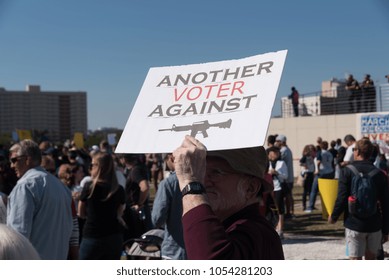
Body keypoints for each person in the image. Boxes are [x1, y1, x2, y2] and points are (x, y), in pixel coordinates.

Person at [173, 135, 285, 260]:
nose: (203, 180)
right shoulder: (235, 225)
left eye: (216, 172)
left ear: (250, 188)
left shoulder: (255, 232)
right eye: (202, 171)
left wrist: (190, 184)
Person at [7, 139, 73, 259]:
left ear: (27, 159)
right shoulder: (62, 187)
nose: (12, 165)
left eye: (14, 160)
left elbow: (17, 238)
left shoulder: (25, 186)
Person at [328, 138, 389, 260]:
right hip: (374, 223)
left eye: (354, 149)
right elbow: (386, 203)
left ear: (357, 152)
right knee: (372, 260)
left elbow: (342, 197)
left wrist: (334, 216)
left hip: (354, 223)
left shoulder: (346, 171)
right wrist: (386, 230)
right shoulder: (379, 174)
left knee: (355, 259)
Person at [78, 152, 126, 260]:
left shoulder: (89, 187)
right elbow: (120, 213)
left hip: (92, 235)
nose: (90, 168)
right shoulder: (119, 189)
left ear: (98, 167)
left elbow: (81, 213)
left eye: (92, 165)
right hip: (114, 237)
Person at [151, 153, 187, 259]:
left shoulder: (168, 184)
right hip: (198, 247)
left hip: (174, 249)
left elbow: (157, 219)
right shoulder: (203, 179)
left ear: (171, 158)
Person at [120, 154, 152, 240]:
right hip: (139, 209)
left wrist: (139, 203)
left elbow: (145, 187)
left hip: (137, 209)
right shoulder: (138, 168)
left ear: (124, 159)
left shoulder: (135, 170)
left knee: (139, 239)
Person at [305, 141, 334, 213]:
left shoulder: (320, 152)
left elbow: (318, 161)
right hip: (330, 172)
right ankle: (330, 206)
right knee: (328, 191)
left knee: (314, 190)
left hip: (321, 173)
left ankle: (310, 207)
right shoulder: (330, 153)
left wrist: (317, 170)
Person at [267, 146, 288, 239]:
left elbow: (285, 176)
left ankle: (280, 230)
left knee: (279, 209)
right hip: (269, 188)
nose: (274, 154)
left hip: (278, 187)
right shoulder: (267, 163)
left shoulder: (281, 163)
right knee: (270, 209)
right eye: (272, 152)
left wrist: (277, 173)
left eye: (276, 152)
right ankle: (272, 228)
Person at [275, 134, 295, 219]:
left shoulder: (283, 151)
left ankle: (289, 213)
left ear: (282, 142)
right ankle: (290, 212)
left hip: (286, 178)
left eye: (278, 141)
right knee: (289, 195)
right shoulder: (288, 150)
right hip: (289, 177)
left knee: (287, 196)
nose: (276, 143)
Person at [299, 144, 316, 211]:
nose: (310, 151)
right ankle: (304, 205)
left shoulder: (312, 156)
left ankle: (311, 205)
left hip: (311, 173)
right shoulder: (305, 156)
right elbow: (300, 162)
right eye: (309, 150)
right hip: (307, 173)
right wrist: (304, 165)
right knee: (306, 191)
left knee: (311, 190)